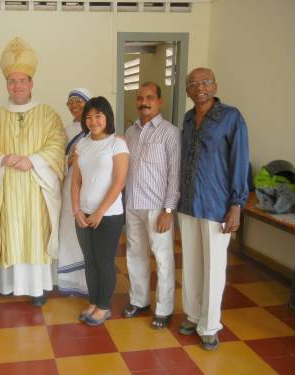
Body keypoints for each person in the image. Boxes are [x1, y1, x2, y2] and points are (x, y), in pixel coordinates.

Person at [0, 36, 66, 306]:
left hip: (36, 189)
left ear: (31, 83)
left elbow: (57, 142)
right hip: (7, 191)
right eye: (12, 81)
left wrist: (35, 161)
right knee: (10, 230)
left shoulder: (48, 114)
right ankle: (8, 284)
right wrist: (2, 158)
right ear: (7, 84)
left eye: (22, 80)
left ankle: (38, 288)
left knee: (36, 232)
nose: (17, 86)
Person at [178, 68, 249, 350]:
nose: (199, 87)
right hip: (189, 203)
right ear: (187, 91)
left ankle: (209, 325)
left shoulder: (232, 117)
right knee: (192, 265)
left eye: (205, 82)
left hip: (217, 204)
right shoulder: (186, 118)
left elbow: (240, 161)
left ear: (215, 85)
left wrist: (236, 205)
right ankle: (193, 315)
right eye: (193, 84)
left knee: (214, 269)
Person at [122, 82, 181, 329]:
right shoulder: (130, 132)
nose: (143, 102)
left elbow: (174, 174)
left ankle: (165, 309)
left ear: (159, 101)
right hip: (133, 204)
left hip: (157, 207)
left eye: (149, 97)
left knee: (163, 258)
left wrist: (169, 210)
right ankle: (139, 300)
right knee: (135, 255)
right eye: (139, 98)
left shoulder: (170, 132)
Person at [71, 96, 129, 325]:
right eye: (89, 117)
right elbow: (75, 180)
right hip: (82, 213)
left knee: (104, 261)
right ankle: (93, 302)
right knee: (89, 260)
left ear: (107, 117)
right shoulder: (82, 144)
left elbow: (119, 182)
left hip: (109, 214)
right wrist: (76, 210)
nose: (93, 121)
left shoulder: (117, 144)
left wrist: (99, 212)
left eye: (98, 116)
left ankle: (104, 306)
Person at [57, 88, 92, 296]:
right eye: (71, 102)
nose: (75, 105)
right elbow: (56, 158)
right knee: (68, 230)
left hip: (89, 186)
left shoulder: (96, 127)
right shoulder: (65, 130)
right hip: (69, 183)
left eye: (79, 101)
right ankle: (69, 281)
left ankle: (88, 283)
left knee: (86, 232)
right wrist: (67, 161)